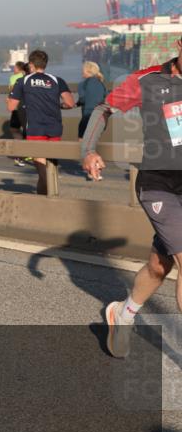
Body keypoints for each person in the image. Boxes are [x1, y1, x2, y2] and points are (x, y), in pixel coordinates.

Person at [82, 36, 182, 358]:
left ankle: (122, 315)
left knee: (158, 266)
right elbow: (102, 108)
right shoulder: (148, 80)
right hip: (159, 185)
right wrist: (89, 150)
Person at [6, 50, 75, 194]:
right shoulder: (57, 80)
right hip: (55, 127)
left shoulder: (23, 81)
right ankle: (44, 201)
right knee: (49, 165)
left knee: (41, 167)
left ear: (31, 64)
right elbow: (69, 103)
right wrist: (58, 105)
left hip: (35, 128)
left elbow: (11, 107)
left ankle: (51, 192)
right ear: (45, 64)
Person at [77, 61, 107, 140]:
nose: (81, 71)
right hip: (100, 118)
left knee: (82, 142)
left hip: (88, 117)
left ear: (87, 71)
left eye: (83, 69)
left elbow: (83, 99)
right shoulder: (102, 84)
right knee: (93, 143)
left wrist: (75, 104)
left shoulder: (82, 84)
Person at [8, 61, 30, 167]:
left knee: (16, 129)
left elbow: (11, 97)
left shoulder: (19, 80)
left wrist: (9, 99)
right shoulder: (34, 81)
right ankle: (26, 154)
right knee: (25, 130)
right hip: (30, 110)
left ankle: (20, 156)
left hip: (19, 108)